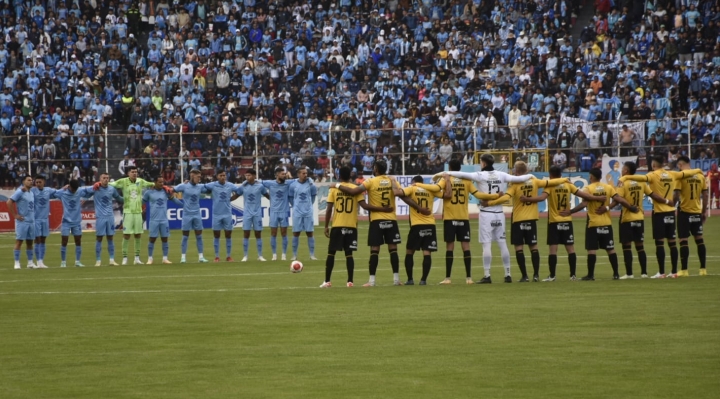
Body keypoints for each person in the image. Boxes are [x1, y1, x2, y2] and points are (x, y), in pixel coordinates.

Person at [435, 154, 534, 283]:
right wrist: (531, 176)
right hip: (499, 213)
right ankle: (508, 274)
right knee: (502, 244)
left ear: (483, 163)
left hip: (486, 213)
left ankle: (487, 275)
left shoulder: (479, 175)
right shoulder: (501, 175)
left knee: (486, 245)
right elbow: (520, 178)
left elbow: (461, 174)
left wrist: (442, 174)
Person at [335, 160, 426, 286]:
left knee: (374, 250)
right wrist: (419, 208)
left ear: (376, 169)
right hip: (391, 219)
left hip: (376, 220)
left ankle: (371, 281)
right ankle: (396, 280)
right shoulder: (391, 181)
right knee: (393, 249)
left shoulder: (370, 181)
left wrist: (337, 185)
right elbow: (403, 197)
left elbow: (354, 191)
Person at [484, 161, 570, 282]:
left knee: (519, 248)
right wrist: (565, 179)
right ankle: (536, 275)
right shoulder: (535, 181)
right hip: (532, 218)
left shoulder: (515, 184)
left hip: (518, 219)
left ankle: (524, 276)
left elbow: (506, 197)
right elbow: (551, 182)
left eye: (514, 170)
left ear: (517, 172)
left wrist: (489, 203)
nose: (513, 171)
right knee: (533, 246)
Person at [418, 159, 500, 284]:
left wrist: (418, 185)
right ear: (460, 168)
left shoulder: (446, 179)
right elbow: (478, 195)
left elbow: (435, 188)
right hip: (463, 217)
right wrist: (495, 196)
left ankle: (448, 278)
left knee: (450, 247)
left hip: (450, 218)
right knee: (466, 247)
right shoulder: (466, 180)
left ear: (449, 168)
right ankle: (469, 278)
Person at [620, 156, 702, 278]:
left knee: (660, 243)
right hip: (671, 211)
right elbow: (686, 173)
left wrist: (626, 177)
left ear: (653, 165)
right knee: (672, 243)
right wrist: (698, 170)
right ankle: (674, 271)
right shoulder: (672, 174)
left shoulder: (653, 175)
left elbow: (641, 178)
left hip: (659, 212)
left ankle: (661, 272)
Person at [520, 166, 607, 281]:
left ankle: (552, 276)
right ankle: (573, 275)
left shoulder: (550, 184)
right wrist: (599, 198)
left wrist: (527, 199)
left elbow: (542, 198)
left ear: (550, 175)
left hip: (554, 221)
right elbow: (583, 195)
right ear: (560, 174)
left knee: (553, 249)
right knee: (570, 249)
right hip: (567, 220)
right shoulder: (568, 184)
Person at [321, 166, 393, 288]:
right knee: (349, 254)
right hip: (351, 226)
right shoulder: (356, 189)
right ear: (350, 176)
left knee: (331, 253)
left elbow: (328, 209)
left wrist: (326, 226)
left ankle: (327, 281)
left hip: (337, 225)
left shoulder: (333, 189)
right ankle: (350, 281)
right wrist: (382, 209)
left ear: (339, 176)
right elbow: (365, 206)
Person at [567, 168, 638, 280]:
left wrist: (571, 212)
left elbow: (584, 203)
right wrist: (630, 207)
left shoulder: (588, 188)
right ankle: (616, 274)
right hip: (606, 223)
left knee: (592, 249)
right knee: (610, 249)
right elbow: (619, 199)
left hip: (593, 223)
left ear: (591, 177)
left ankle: (590, 275)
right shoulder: (608, 187)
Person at [391, 174, 451, 285]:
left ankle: (410, 279)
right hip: (430, 225)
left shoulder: (412, 188)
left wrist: (394, 181)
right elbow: (448, 195)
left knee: (410, 252)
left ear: (414, 181)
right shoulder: (430, 190)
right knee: (427, 253)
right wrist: (447, 180)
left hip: (417, 225)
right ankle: (423, 280)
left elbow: (397, 193)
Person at [612, 162, 665, 279]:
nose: (621, 170)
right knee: (640, 246)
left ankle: (629, 274)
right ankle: (644, 273)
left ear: (626, 170)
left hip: (627, 217)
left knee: (626, 246)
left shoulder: (622, 181)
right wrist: (666, 201)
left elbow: (619, 198)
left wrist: (609, 207)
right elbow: (652, 194)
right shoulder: (641, 181)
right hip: (639, 217)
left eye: (623, 169)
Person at [105, 166, 155, 265]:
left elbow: (152, 184)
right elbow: (112, 184)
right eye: (132, 172)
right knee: (126, 235)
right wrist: (99, 183)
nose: (134, 173)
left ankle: (137, 258)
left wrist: (156, 185)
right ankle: (125, 258)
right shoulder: (123, 181)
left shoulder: (140, 181)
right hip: (128, 212)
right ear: (128, 173)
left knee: (138, 235)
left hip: (138, 212)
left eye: (136, 172)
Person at [675, 156, 708, 276]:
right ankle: (703, 269)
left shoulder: (681, 177)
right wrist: (703, 212)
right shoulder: (700, 176)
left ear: (680, 165)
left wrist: (672, 205)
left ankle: (684, 270)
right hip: (696, 211)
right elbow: (705, 196)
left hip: (684, 211)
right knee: (699, 239)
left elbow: (677, 194)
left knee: (683, 240)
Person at [53, 180, 95, 268]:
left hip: (76, 221)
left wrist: (86, 197)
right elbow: (53, 193)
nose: (74, 191)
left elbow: (89, 192)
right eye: (73, 189)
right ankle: (63, 262)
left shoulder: (79, 191)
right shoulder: (63, 193)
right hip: (66, 221)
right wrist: (62, 188)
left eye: (75, 189)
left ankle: (77, 261)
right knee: (64, 241)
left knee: (78, 241)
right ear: (69, 186)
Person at [204, 170, 244, 262]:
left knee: (228, 235)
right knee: (216, 235)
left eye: (224, 175)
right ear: (217, 176)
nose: (223, 177)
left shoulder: (230, 185)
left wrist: (233, 198)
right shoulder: (213, 185)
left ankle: (228, 256)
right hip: (216, 214)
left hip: (227, 214)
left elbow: (240, 190)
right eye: (221, 175)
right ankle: (217, 256)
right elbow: (201, 187)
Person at [173, 169, 210, 263]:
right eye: (198, 177)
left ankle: (201, 257)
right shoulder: (184, 186)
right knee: (185, 236)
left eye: (200, 177)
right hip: (187, 214)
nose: (199, 179)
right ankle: (183, 257)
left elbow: (210, 189)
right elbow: (171, 191)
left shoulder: (200, 187)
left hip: (197, 214)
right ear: (192, 175)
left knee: (199, 236)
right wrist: (180, 204)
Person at [143, 176, 182, 264]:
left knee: (165, 239)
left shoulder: (166, 191)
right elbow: (142, 202)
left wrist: (184, 206)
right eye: (160, 182)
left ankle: (165, 258)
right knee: (152, 239)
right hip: (154, 220)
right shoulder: (149, 192)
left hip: (164, 220)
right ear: (155, 182)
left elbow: (174, 200)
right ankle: (150, 258)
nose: (162, 184)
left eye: (163, 182)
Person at [260, 167, 296, 261]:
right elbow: (258, 182)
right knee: (273, 233)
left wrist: (291, 176)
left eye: (285, 174)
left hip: (284, 211)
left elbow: (299, 180)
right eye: (282, 174)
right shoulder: (270, 183)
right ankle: (274, 255)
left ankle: (283, 255)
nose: (284, 175)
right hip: (273, 212)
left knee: (284, 233)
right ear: (277, 175)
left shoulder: (288, 183)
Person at [92, 173, 124, 266]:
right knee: (99, 238)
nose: (106, 179)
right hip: (100, 217)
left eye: (107, 178)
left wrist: (128, 198)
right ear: (100, 179)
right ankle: (98, 261)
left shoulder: (111, 189)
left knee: (110, 238)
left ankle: (112, 260)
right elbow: (84, 192)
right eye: (104, 178)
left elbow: (119, 198)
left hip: (110, 216)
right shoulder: (95, 188)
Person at [239, 169, 270, 262]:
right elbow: (236, 194)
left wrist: (275, 201)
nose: (247, 177)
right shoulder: (243, 186)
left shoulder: (260, 186)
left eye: (249, 175)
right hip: (247, 213)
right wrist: (227, 200)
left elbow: (267, 196)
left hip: (257, 213)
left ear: (253, 176)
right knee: (246, 234)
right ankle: (245, 256)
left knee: (258, 234)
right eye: (246, 176)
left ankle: (260, 255)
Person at [289, 167, 318, 260]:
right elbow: (290, 197)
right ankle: (294, 255)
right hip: (297, 212)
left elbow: (313, 196)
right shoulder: (293, 185)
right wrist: (295, 205)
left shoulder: (311, 185)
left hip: (308, 212)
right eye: (303, 173)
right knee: (296, 233)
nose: (305, 175)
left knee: (310, 233)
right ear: (298, 174)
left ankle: (312, 255)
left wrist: (308, 205)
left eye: (306, 173)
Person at [7, 176, 36, 270]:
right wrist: (15, 215)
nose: (31, 182)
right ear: (23, 181)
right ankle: (16, 263)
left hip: (31, 221)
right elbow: (9, 202)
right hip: (22, 221)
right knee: (19, 241)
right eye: (28, 180)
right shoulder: (20, 191)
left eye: (32, 180)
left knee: (30, 242)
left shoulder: (31, 193)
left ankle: (30, 263)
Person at [31, 176, 57, 269]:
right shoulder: (33, 191)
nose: (38, 184)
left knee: (43, 240)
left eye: (39, 182)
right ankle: (37, 261)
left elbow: (58, 193)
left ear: (44, 182)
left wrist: (65, 188)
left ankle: (41, 261)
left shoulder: (48, 190)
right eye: (36, 182)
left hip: (45, 219)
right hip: (36, 219)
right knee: (37, 240)